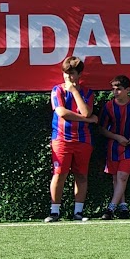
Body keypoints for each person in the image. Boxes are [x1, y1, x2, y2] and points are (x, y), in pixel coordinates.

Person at [46, 56, 99, 223]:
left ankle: (78, 213)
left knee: (81, 175)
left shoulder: (87, 93)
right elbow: (62, 112)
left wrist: (75, 91)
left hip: (83, 140)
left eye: (72, 74)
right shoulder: (57, 90)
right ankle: (55, 212)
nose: (68, 77)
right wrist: (87, 120)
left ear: (79, 74)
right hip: (61, 139)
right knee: (59, 173)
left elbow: (86, 111)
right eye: (65, 74)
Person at [98, 74, 130, 220]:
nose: (115, 92)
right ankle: (123, 207)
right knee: (116, 179)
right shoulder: (108, 106)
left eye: (119, 89)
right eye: (113, 89)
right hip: (113, 147)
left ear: (128, 90)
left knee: (122, 176)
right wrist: (116, 137)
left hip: (129, 147)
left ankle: (110, 208)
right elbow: (101, 128)